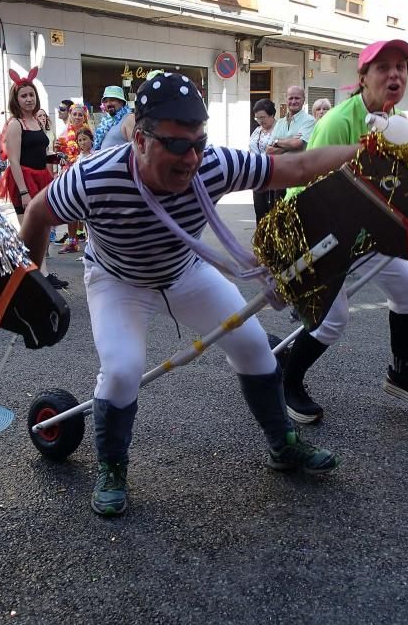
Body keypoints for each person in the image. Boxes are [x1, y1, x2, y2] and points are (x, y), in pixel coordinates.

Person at [19, 73, 361, 516]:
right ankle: (112, 466)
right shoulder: (94, 177)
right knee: (122, 371)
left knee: (256, 348)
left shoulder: (212, 163)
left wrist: (369, 154)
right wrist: (32, 284)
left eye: (199, 142)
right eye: (177, 146)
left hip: (184, 270)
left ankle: (283, 445)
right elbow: (36, 213)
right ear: (140, 139)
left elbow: (294, 168)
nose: (192, 159)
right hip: (118, 279)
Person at [279, 39, 408, 425]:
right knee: (332, 321)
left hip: (366, 232)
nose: (395, 74)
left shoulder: (396, 123)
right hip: (316, 231)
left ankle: (401, 373)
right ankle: (288, 381)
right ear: (363, 77)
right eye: (383, 67)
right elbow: (311, 186)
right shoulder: (338, 122)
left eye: (401, 67)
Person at [0, 69, 68, 290]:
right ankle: (24, 273)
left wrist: (54, 157)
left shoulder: (36, 121)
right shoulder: (16, 124)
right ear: (16, 100)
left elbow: (38, 151)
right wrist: (24, 192)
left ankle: (41, 272)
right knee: (28, 230)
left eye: (31, 95)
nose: (29, 99)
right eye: (24, 96)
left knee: (43, 228)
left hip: (42, 178)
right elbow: (14, 161)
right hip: (24, 180)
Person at [53, 104, 92, 253]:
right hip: (69, 174)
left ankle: (91, 243)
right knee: (71, 209)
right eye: (74, 114)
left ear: (85, 117)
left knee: (87, 210)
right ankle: (72, 242)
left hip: (85, 173)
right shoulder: (64, 133)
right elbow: (62, 156)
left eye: (80, 115)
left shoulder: (88, 132)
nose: (77, 117)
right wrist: (57, 148)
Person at [249, 98, 279, 222]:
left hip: (274, 175)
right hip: (257, 176)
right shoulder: (257, 130)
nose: (260, 121)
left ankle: (273, 240)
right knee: (259, 210)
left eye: (263, 117)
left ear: (271, 114)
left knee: (272, 211)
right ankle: (261, 240)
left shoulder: (280, 129)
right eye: (257, 118)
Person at [267, 85, 315, 158]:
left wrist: (276, 141)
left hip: (299, 168)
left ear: (303, 100)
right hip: (279, 167)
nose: (293, 101)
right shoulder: (280, 122)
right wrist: (291, 143)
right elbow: (269, 150)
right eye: (290, 98)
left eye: (297, 98)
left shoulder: (309, 121)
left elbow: (296, 144)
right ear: (286, 100)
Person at [93, 85, 133, 150]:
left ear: (121, 102)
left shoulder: (129, 118)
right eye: (106, 101)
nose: (108, 104)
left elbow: (135, 149)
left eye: (112, 100)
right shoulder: (105, 122)